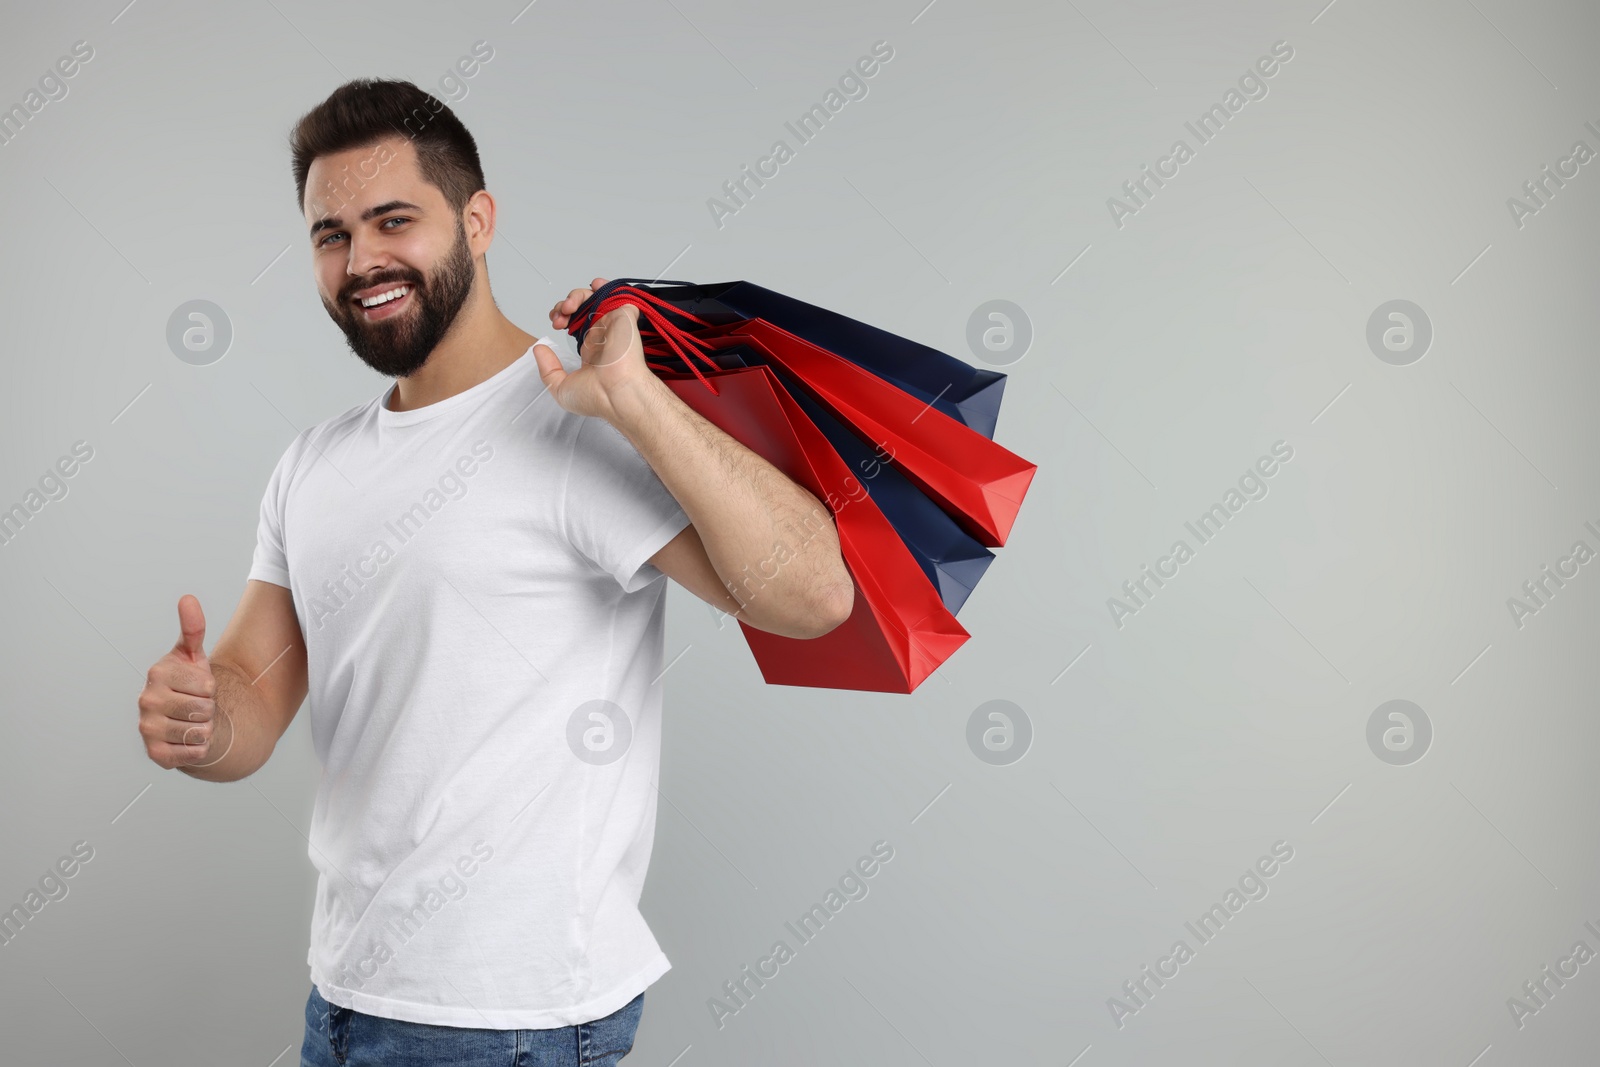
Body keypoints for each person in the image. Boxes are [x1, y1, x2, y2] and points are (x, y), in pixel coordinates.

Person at [134, 78, 853, 1067]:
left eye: (394, 220)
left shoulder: (582, 416)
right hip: (342, 998)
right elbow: (250, 705)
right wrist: (202, 718)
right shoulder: (313, 462)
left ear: (477, 220)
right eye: (329, 234)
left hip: (504, 1021)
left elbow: (814, 596)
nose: (361, 260)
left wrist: (643, 408)